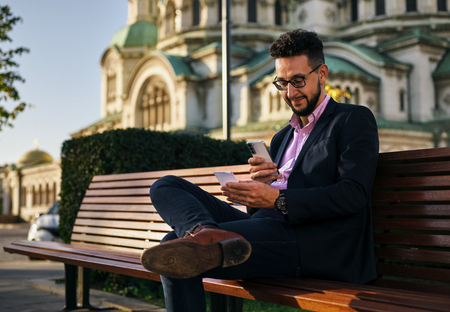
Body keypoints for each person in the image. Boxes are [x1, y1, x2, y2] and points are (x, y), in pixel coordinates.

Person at [140, 29, 379, 312]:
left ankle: (206, 241)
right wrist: (255, 194)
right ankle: (204, 232)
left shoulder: (352, 119)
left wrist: (277, 198)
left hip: (313, 243)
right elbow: (261, 216)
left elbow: (353, 194)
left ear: (322, 73)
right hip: (270, 226)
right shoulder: (281, 138)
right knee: (166, 187)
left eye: (299, 80)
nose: (291, 93)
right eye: (282, 83)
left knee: (175, 247)